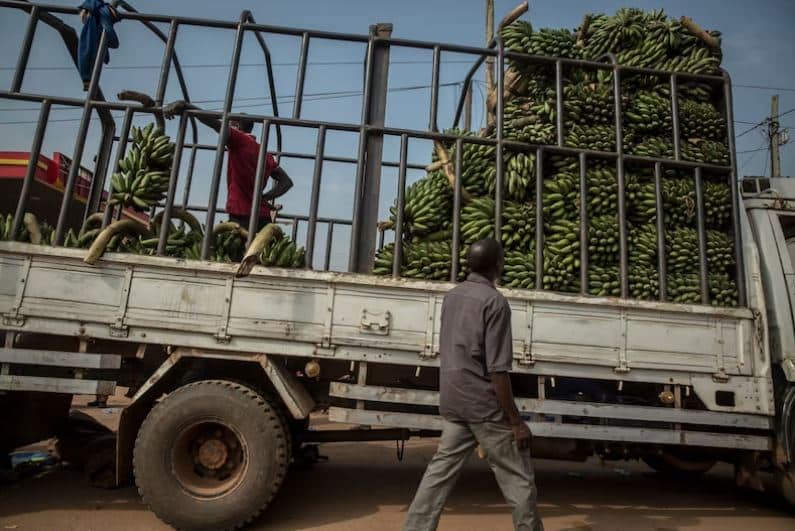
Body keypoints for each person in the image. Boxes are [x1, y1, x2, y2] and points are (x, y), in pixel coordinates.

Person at [404, 238, 544, 531]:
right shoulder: (495, 303)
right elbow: (498, 371)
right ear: (498, 265)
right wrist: (516, 421)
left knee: (438, 474)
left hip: (454, 401)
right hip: (483, 406)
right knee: (518, 478)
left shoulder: (452, 297)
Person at [162, 101, 293, 232]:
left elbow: (214, 123)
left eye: (230, 124)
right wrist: (264, 197)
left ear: (236, 126)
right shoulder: (265, 154)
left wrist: (185, 106)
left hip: (242, 214)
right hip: (262, 216)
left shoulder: (239, 139)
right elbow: (286, 182)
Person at [78, 1, 120, 91]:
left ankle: (88, 79)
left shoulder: (95, 8)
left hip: (97, 21)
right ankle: (88, 79)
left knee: (89, 50)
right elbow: (114, 42)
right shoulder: (96, 8)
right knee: (89, 50)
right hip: (97, 20)